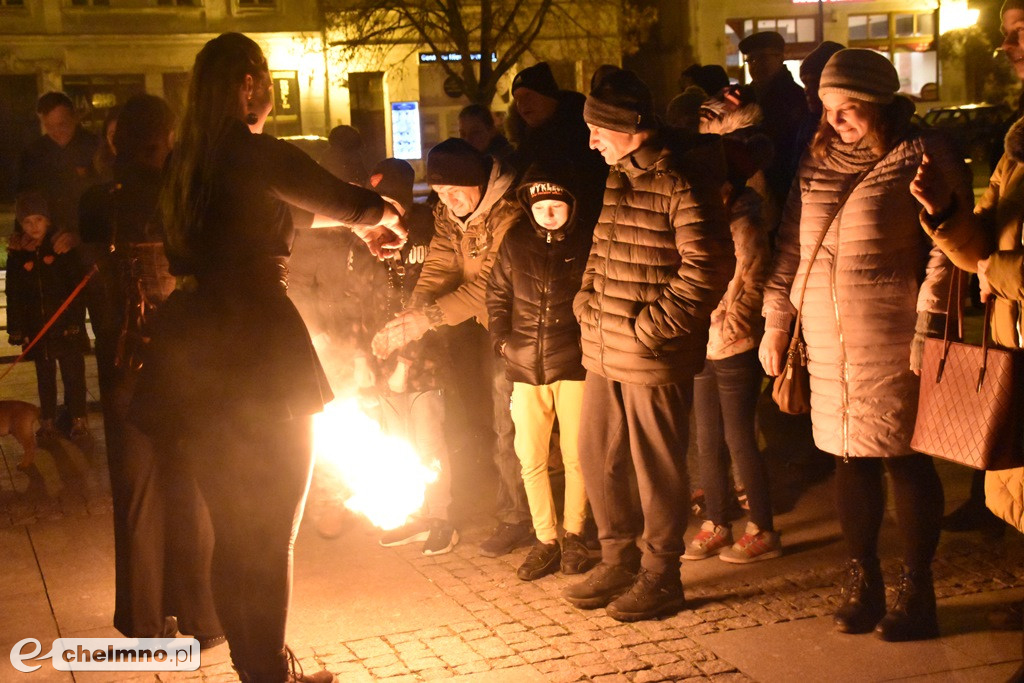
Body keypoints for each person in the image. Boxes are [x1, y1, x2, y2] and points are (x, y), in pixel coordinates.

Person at [127, 32, 405, 683]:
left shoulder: (185, 164)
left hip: (193, 351)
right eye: (267, 82)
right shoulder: (254, 153)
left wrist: (356, 221)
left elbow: (294, 213)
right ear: (248, 84)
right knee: (271, 531)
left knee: (232, 529)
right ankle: (271, 672)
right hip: (256, 347)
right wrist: (380, 214)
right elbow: (333, 198)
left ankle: (259, 672)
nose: (272, 97)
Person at [759, 48, 970, 642]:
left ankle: (916, 587)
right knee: (848, 456)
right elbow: (791, 246)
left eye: (848, 109)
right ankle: (864, 580)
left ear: (879, 103)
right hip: (826, 338)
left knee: (904, 456)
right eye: (827, 109)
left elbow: (945, 252)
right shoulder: (815, 158)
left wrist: (928, 327)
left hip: (893, 334)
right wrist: (778, 320)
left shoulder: (924, 153)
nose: (835, 122)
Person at [563, 67, 733, 622]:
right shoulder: (619, 175)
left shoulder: (680, 180)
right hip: (604, 348)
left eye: (598, 130)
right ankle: (618, 558)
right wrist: (586, 300)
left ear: (630, 128)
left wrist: (652, 327)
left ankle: (661, 574)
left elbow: (708, 268)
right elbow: (601, 248)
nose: (590, 141)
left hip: (650, 353)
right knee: (596, 455)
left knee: (656, 469)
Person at [77, 94, 223, 645]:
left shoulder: (98, 202)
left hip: (126, 362)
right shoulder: (190, 193)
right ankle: (203, 619)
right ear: (167, 136)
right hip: (188, 359)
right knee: (193, 486)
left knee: (138, 492)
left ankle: (144, 621)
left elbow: (95, 284)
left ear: (117, 141)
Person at [911, 0, 1024, 647]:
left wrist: (995, 267)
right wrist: (945, 213)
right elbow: (981, 238)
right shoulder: (1016, 146)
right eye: (1006, 37)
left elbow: (994, 258)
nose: (1009, 48)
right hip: (1015, 342)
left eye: (1020, 35)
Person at [371, 138, 533, 558]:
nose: (448, 200)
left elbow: (491, 283)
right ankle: (516, 511)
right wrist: (412, 316)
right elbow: (440, 264)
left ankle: (522, 518)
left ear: (478, 183)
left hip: (522, 326)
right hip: (487, 328)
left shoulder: (510, 212)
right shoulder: (450, 214)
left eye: (455, 190)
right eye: (440, 193)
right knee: (492, 420)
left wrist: (428, 318)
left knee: (509, 423)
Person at [486, 160, 596, 581]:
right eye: (539, 206)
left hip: (573, 365)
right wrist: (502, 341)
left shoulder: (586, 242)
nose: (547, 213)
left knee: (577, 455)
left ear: (570, 205)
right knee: (529, 456)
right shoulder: (515, 242)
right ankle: (545, 539)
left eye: (556, 205)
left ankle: (576, 536)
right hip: (523, 367)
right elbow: (496, 293)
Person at [684, 92, 779, 564]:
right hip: (702, 341)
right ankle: (717, 520)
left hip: (735, 342)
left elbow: (749, 280)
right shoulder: (703, 218)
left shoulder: (745, 218)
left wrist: (726, 320)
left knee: (741, 436)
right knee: (706, 436)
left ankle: (763, 526)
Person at [368, 158, 459, 555]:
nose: (384, 209)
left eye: (390, 200)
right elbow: (362, 298)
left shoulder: (425, 231)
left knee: (427, 442)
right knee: (396, 441)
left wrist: (405, 363)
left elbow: (426, 300)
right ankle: (414, 516)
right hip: (383, 360)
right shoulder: (368, 234)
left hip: (426, 360)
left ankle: (442, 520)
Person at [5, 191, 90, 444]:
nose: (34, 227)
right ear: (21, 224)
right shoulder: (18, 255)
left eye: (39, 220)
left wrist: (75, 322)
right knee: (45, 375)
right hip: (37, 328)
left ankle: (78, 419)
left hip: (65, 326)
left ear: (48, 221)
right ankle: (48, 421)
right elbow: (14, 293)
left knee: (73, 374)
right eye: (27, 222)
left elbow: (76, 288)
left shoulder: (60, 249)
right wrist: (17, 328)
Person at [506, 62, 607, 230]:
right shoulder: (525, 142)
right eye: (517, 99)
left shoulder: (581, 135)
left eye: (528, 96)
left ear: (548, 96)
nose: (522, 104)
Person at [738, 31, 807, 207]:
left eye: (761, 58)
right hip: (748, 185)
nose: (755, 65)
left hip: (783, 186)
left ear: (780, 57)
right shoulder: (744, 96)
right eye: (750, 60)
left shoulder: (794, 96)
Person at [17, 91, 99, 237]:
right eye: (49, 126)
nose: (56, 132)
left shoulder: (96, 148)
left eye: (62, 124)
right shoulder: (34, 154)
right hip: (49, 238)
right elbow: (26, 199)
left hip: (87, 236)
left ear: (74, 117)